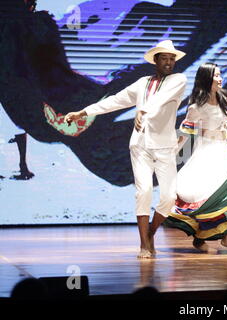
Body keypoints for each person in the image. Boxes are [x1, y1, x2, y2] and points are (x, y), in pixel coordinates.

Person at [64, 40, 187, 258]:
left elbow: (162, 98)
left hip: (165, 147)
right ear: (156, 61)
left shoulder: (179, 79)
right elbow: (114, 101)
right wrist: (83, 112)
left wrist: (143, 111)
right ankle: (143, 244)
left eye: (172, 59)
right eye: (164, 58)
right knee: (144, 191)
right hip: (140, 145)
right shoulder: (142, 83)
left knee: (168, 197)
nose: (169, 62)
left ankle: (150, 232)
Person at [164, 63, 227, 252]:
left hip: (222, 151)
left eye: (220, 75)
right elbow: (184, 135)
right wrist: (171, 155)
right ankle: (200, 238)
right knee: (206, 196)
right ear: (206, 79)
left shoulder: (225, 98)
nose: (220, 79)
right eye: (216, 76)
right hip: (205, 154)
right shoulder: (196, 107)